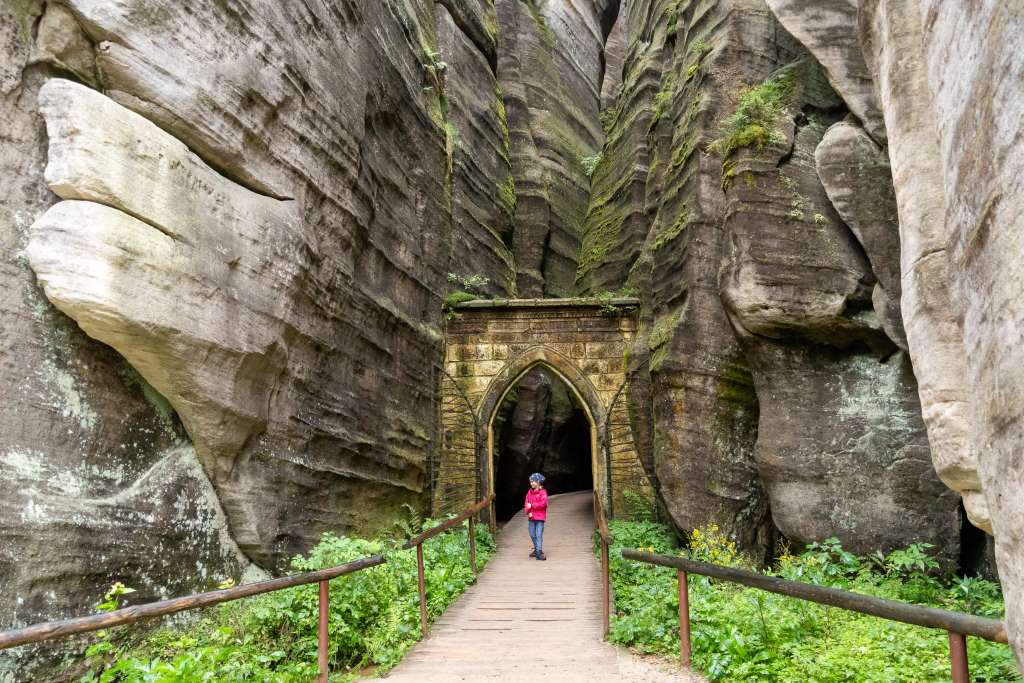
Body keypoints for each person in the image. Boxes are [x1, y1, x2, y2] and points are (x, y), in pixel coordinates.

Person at [525, 472, 548, 561]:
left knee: (538, 534)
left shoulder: (543, 492)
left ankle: (539, 552)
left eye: (533, 481)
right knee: (532, 534)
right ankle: (536, 549)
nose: (531, 483)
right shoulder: (529, 492)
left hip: (540, 517)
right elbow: (526, 503)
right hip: (531, 518)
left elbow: (543, 504)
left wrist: (532, 506)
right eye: (531, 482)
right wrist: (528, 511)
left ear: (538, 482)